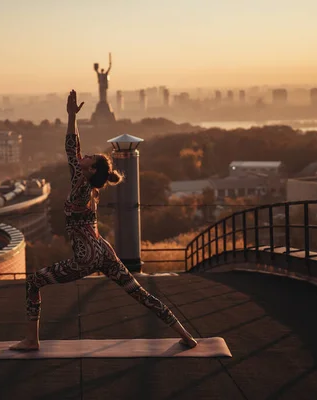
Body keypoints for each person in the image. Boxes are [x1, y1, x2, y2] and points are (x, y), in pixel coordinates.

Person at [10, 90, 198, 351]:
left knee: (33, 282)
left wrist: (71, 117)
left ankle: (32, 340)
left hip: (86, 256)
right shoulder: (93, 189)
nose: (84, 156)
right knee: (138, 293)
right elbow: (75, 150)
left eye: (89, 158)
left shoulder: (81, 184)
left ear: (91, 169)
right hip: (103, 250)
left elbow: (70, 147)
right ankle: (186, 334)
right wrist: (73, 116)